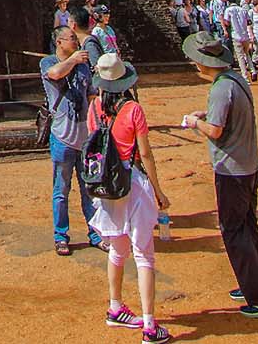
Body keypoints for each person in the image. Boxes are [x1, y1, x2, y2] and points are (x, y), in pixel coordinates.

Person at [179, 33, 258, 319]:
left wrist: (193, 122)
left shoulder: (221, 89)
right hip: (249, 164)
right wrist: (206, 115)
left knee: (233, 230)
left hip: (231, 169)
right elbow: (226, 117)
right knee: (248, 225)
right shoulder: (235, 80)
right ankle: (252, 281)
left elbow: (215, 131)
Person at [88, 53, 171, 342]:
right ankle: (149, 324)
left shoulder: (95, 107)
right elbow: (145, 153)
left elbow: (96, 143)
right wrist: (158, 191)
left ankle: (115, 307)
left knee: (117, 249)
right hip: (132, 181)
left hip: (107, 186)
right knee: (144, 254)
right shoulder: (133, 109)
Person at [40, 23, 102, 255]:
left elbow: (91, 94)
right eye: (71, 38)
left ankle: (96, 233)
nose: (76, 42)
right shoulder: (48, 62)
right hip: (62, 137)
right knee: (61, 190)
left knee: (89, 189)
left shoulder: (83, 66)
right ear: (59, 42)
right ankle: (61, 236)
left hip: (84, 137)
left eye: (76, 39)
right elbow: (55, 74)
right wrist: (74, 60)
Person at [224, 0, 256, 79]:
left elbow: (226, 22)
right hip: (245, 34)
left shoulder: (228, 10)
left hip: (236, 35)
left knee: (240, 56)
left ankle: (245, 76)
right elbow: (249, 21)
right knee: (247, 53)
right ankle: (253, 70)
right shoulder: (243, 10)